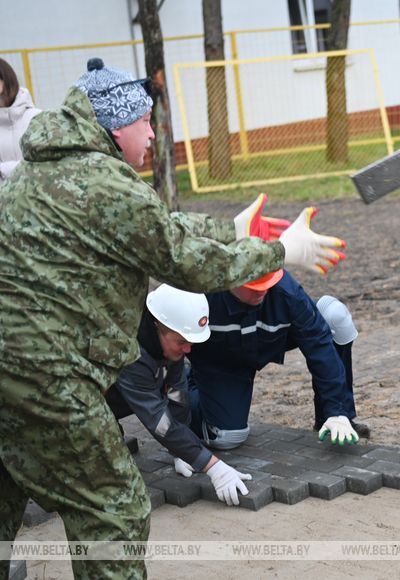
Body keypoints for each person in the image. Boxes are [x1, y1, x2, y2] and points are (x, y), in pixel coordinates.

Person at [0, 58, 345, 578]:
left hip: (10, 367)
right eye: (145, 123)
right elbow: (185, 260)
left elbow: (157, 225)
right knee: (113, 509)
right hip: (48, 373)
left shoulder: (43, 170)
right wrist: (280, 252)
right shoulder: (105, 183)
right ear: (117, 125)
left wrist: (230, 229)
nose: (153, 136)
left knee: (6, 489)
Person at [105, 284, 255, 507]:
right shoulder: (128, 350)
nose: (188, 350)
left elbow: (176, 392)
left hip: (118, 394)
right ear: (157, 326)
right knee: (102, 458)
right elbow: (158, 421)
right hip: (69, 401)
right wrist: (212, 465)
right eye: (182, 342)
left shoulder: (164, 344)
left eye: (190, 342)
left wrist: (182, 447)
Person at [187, 268, 365, 449]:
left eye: (266, 283)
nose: (261, 291)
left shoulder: (286, 290)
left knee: (335, 316)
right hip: (220, 361)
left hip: (267, 340)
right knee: (227, 437)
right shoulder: (200, 294)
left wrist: (336, 410)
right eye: (252, 286)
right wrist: (180, 442)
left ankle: (331, 421)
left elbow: (319, 344)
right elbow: (169, 345)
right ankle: (193, 383)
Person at [0, 57, 41, 183]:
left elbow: (46, 164)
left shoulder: (38, 118)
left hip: (37, 197)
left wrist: (3, 169)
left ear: (5, 79)